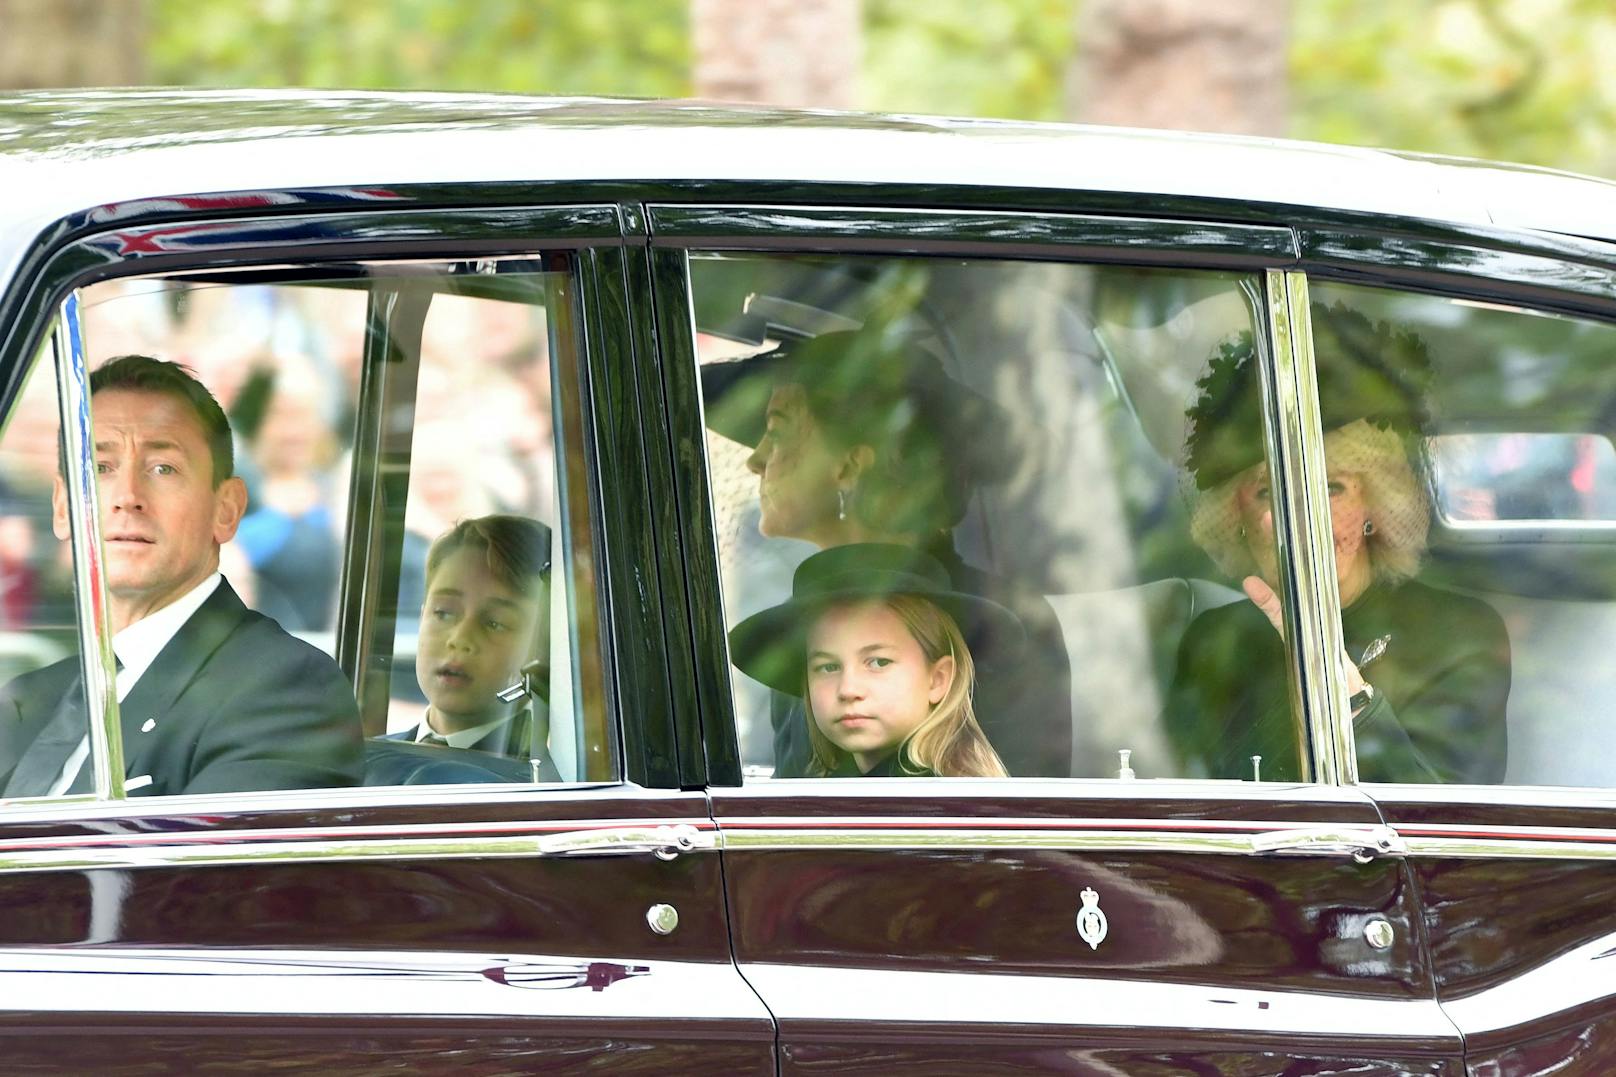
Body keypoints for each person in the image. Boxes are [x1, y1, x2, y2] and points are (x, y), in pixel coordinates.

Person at [1165, 304, 1510, 784]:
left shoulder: (1459, 635)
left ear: (1375, 507)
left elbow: (1449, 837)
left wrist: (1345, 697)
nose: (1302, 519)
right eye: (1270, 491)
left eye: (1331, 489)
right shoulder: (1213, 642)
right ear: (1238, 518)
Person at [703, 329, 1072, 777]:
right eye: (826, 667)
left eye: (777, 431)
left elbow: (1010, 830)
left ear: (850, 468)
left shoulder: (999, 630)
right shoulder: (796, 626)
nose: (755, 459)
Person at [0, 355, 362, 799]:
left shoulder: (288, 691)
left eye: (163, 469)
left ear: (226, 509)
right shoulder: (29, 698)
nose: (127, 498)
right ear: (62, 507)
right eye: (100, 469)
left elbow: (213, 869)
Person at [729, 543, 1017, 778]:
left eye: (878, 662)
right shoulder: (838, 789)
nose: (848, 690)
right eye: (828, 667)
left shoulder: (939, 804)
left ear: (938, 679)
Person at [369, 514, 561, 783]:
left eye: (495, 623)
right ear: (423, 615)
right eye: (444, 613)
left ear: (547, 645)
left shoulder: (546, 781)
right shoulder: (362, 761)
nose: (460, 639)